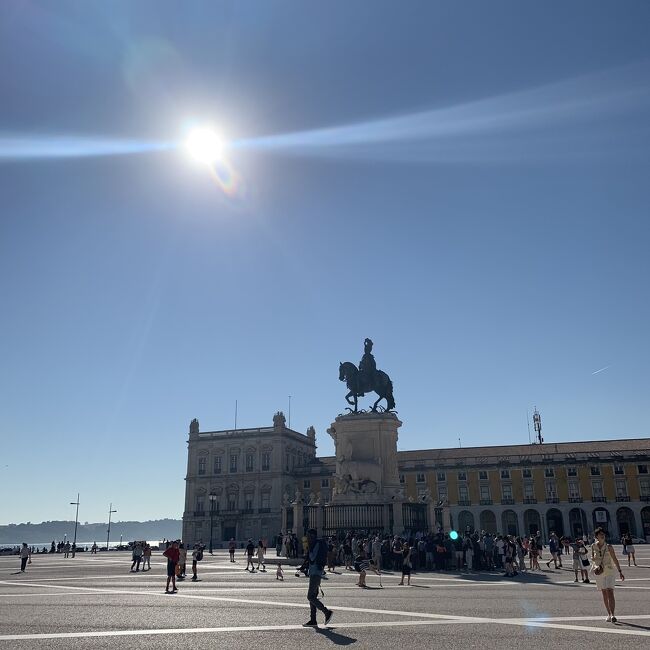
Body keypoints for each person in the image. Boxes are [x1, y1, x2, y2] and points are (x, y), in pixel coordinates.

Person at [591, 527, 625, 622]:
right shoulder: (593, 546)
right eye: (600, 534)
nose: (603, 536)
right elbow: (592, 558)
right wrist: (595, 564)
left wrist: (620, 571)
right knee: (604, 593)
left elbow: (614, 559)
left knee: (610, 592)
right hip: (599, 572)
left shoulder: (609, 547)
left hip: (609, 571)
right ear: (596, 536)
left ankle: (613, 615)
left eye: (603, 534)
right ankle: (609, 614)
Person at [302, 528, 333, 627]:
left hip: (315, 573)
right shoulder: (316, 543)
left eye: (308, 535)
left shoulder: (316, 544)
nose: (307, 537)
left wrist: (308, 549)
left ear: (312, 535)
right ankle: (313, 620)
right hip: (315, 572)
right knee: (313, 597)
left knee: (310, 596)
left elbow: (312, 557)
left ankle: (326, 612)